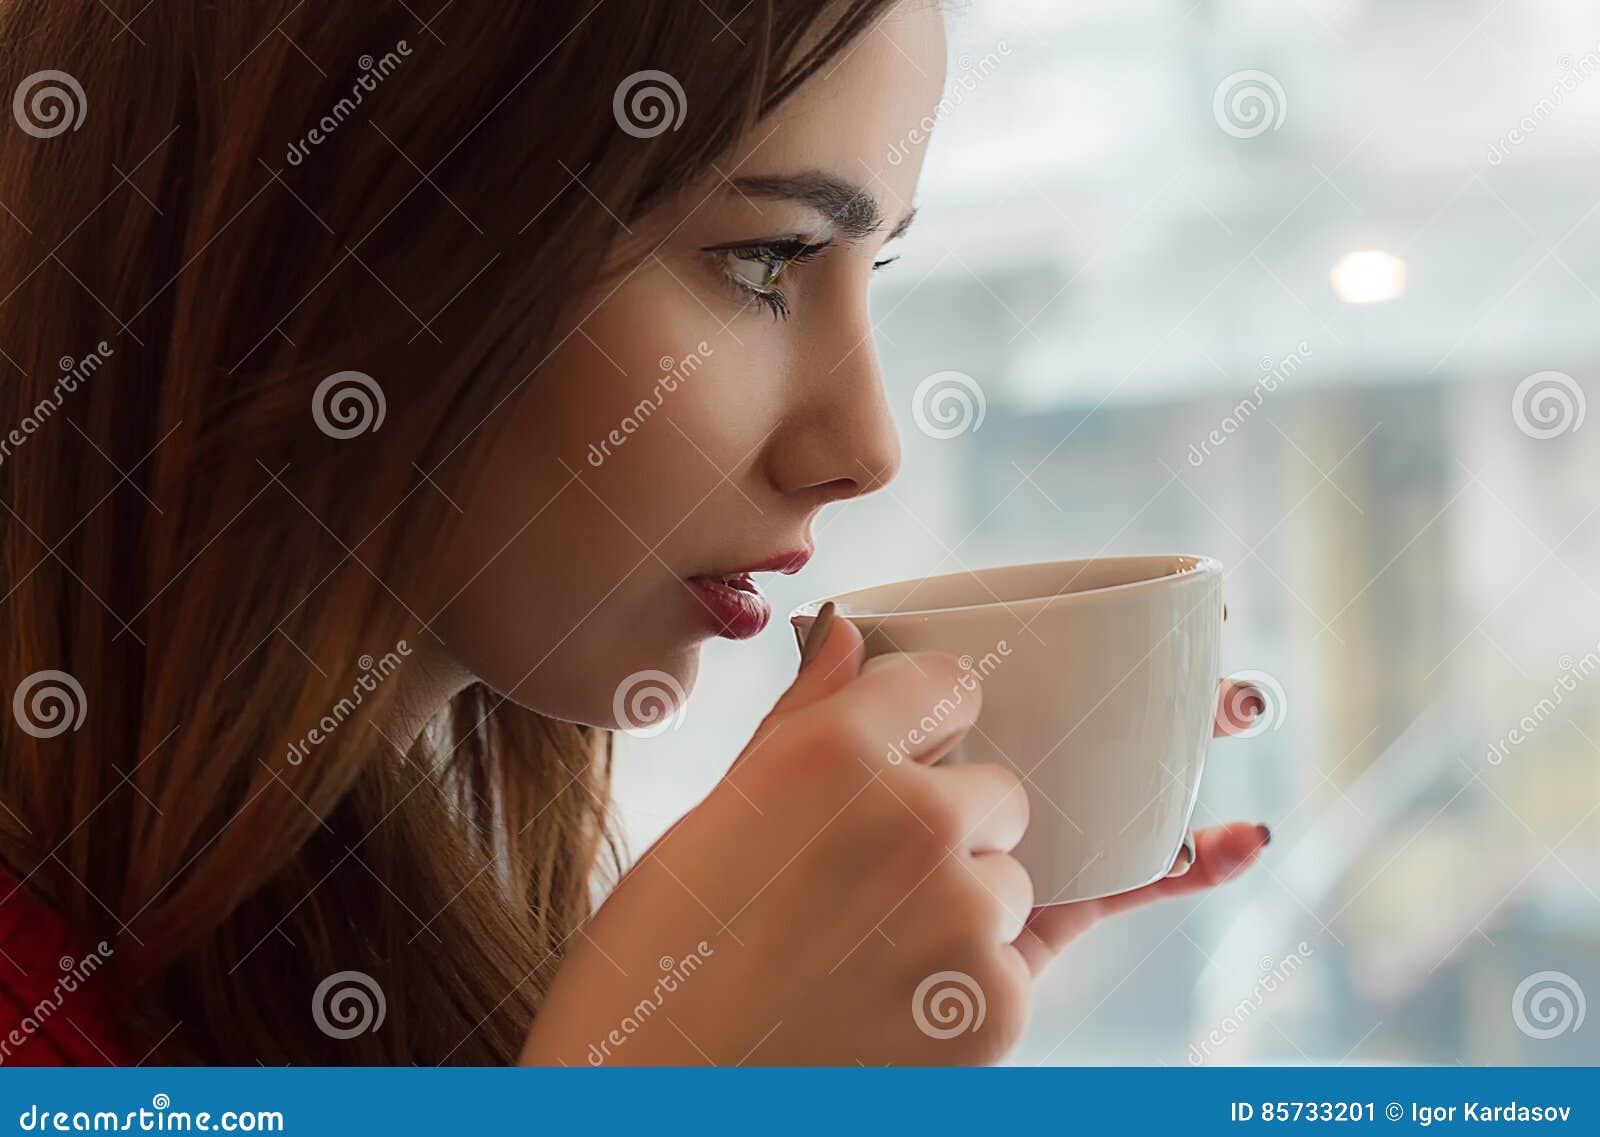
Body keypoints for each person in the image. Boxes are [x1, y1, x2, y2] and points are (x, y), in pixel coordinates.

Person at [0, 0, 1268, 1065]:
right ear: (346, 233)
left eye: (869, 270)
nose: (868, 449)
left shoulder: (342, 945)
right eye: (766, 260)